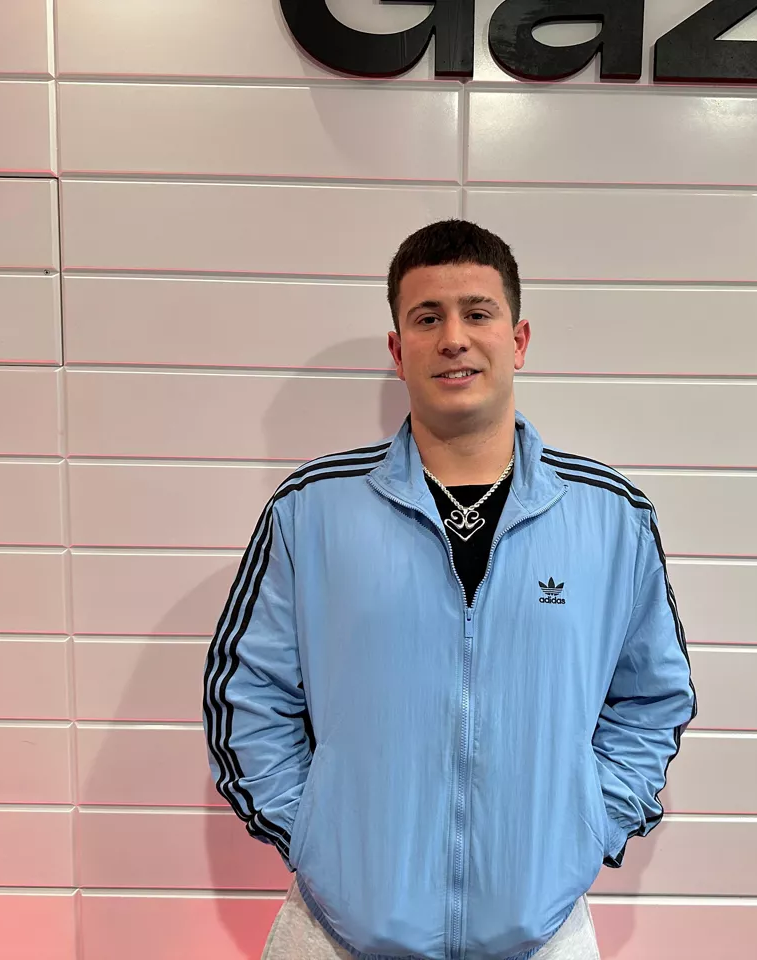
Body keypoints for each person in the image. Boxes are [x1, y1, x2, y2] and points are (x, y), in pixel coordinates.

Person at [202, 220, 696, 960]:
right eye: (427, 318)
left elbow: (653, 698)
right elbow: (247, 693)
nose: (454, 338)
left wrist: (586, 826)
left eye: (477, 313)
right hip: (336, 933)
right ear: (398, 350)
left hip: (543, 935)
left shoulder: (610, 517)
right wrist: (316, 837)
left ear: (518, 340)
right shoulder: (312, 509)